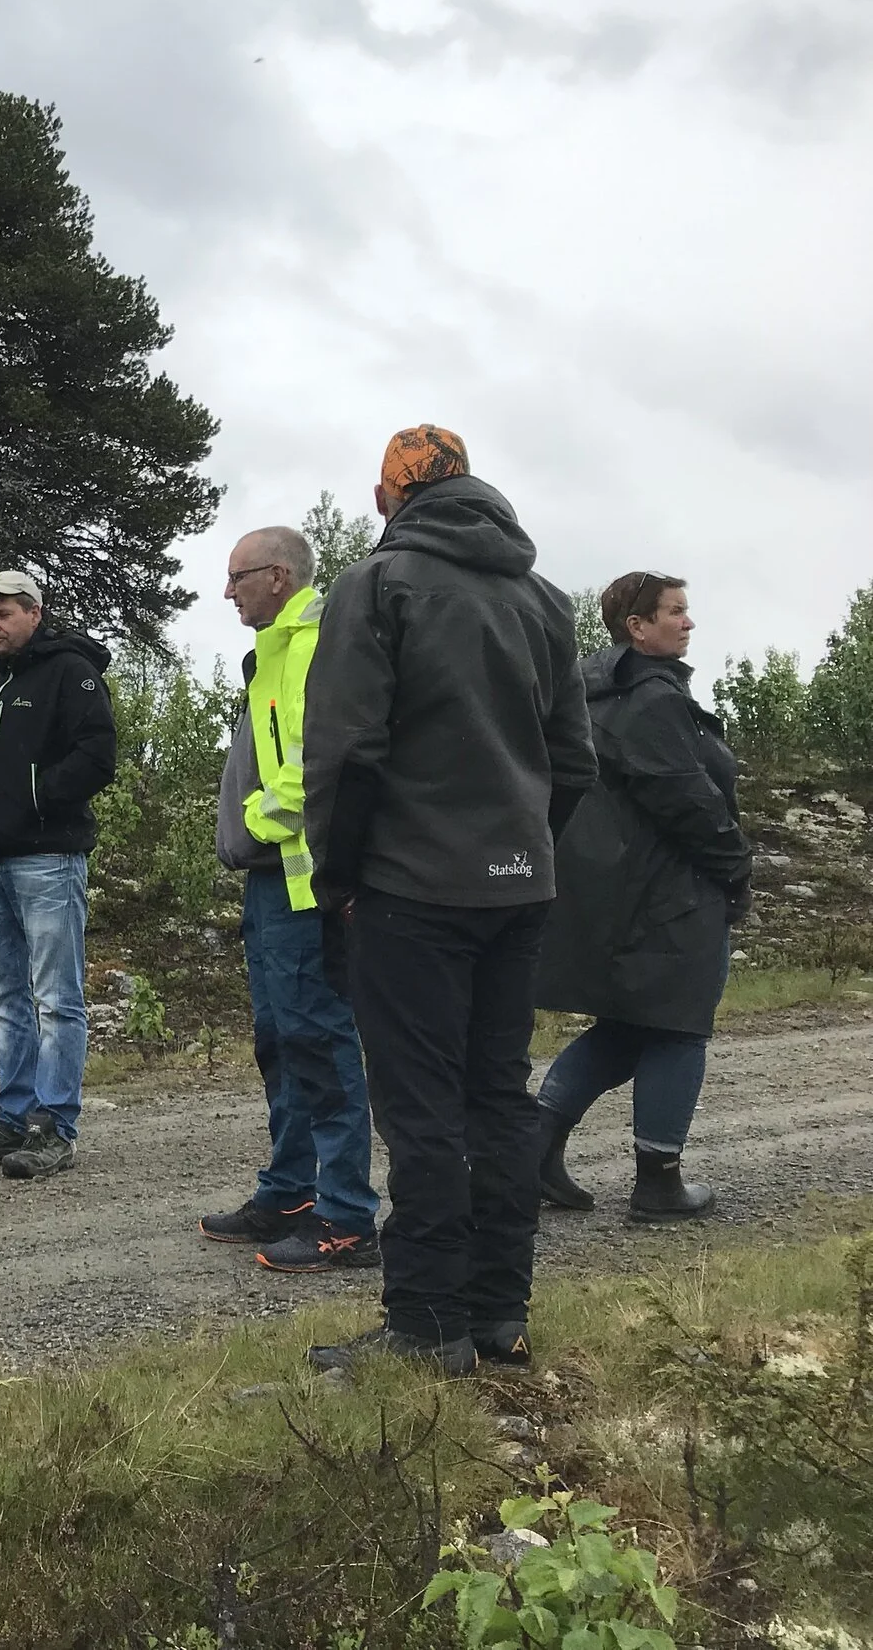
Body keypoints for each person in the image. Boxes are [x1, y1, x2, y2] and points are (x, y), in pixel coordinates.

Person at [302, 427, 595, 1376]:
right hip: (518, 888)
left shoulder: (376, 586)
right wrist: (523, 845)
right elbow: (574, 762)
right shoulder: (542, 599)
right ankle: (498, 1314)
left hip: (410, 889)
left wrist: (339, 878)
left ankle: (427, 1324)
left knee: (423, 1109)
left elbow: (347, 753)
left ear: (390, 498)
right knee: (497, 1100)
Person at [534, 572, 749, 1224]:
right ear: (637, 626)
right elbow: (686, 800)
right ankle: (659, 1183)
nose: (688, 623)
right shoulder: (650, 699)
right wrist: (736, 868)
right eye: (675, 612)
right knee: (680, 1027)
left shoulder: (596, 691)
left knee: (629, 1027)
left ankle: (530, 1152)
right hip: (670, 895)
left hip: (620, 889)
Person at [199, 529, 380, 1271]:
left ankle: (346, 1216)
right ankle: (292, 1190)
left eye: (237, 576)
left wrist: (249, 826)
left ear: (277, 576)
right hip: (273, 881)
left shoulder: (315, 645)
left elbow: (317, 765)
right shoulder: (275, 648)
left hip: (305, 881)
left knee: (318, 1039)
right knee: (281, 1038)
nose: (228, 590)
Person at [0, 571, 118, 1180]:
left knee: (57, 998)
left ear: (35, 613)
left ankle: (54, 1125)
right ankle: (11, 1116)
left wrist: (33, 798)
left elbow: (97, 757)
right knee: (0, 997)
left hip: (46, 858)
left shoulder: (71, 674)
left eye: (4, 614)